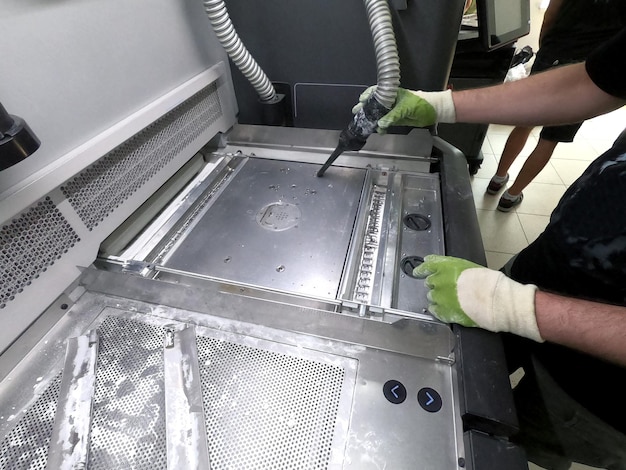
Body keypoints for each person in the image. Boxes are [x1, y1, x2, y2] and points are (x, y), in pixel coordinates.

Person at [356, 26, 626, 469]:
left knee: (523, 448)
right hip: (550, 267)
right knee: (475, 382)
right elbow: (589, 83)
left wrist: (515, 307)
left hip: (600, 385)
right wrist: (439, 104)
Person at [488, 0, 626, 212]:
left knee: (524, 124)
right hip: (588, 72)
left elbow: (551, 14)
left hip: (555, 53)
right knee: (549, 140)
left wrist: (547, 50)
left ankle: (498, 178)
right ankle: (511, 195)